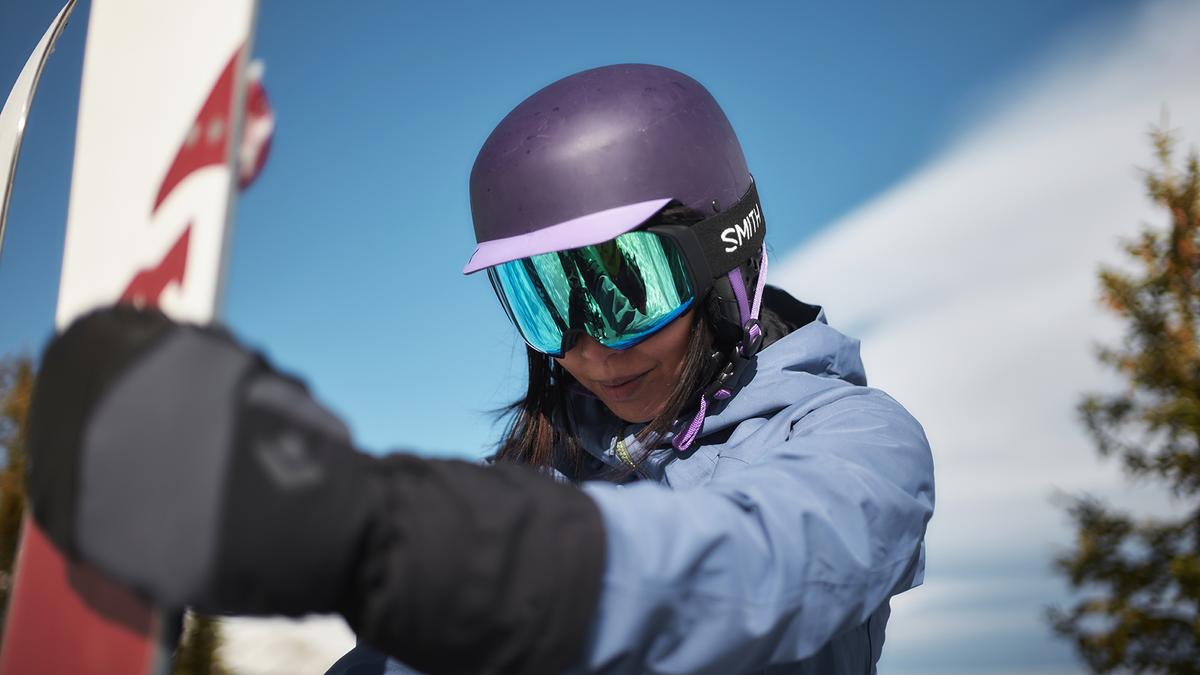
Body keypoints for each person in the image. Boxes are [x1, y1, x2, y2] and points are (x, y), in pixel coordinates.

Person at [25, 64, 935, 675]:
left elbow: (747, 568)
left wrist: (380, 537)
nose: (586, 346)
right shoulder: (540, 473)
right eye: (542, 301)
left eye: (622, 287)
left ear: (723, 258)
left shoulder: (856, 447)